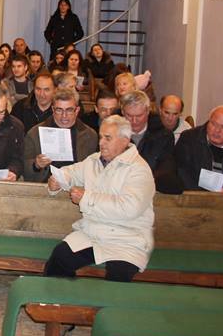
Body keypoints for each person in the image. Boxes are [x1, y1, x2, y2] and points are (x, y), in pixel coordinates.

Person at [43, 115, 155, 283]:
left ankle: (109, 309)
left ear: (125, 140)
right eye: (101, 137)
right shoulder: (94, 161)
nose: (101, 142)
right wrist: (59, 180)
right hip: (93, 233)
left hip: (127, 238)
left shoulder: (139, 169)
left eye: (108, 138)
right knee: (60, 257)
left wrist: (86, 198)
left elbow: (129, 208)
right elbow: (72, 172)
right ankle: (60, 304)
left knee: (118, 277)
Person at [24, 88, 98, 182]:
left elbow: (94, 171)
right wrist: (36, 165)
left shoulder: (90, 135)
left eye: (69, 110)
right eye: (59, 110)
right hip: (44, 187)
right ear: (53, 109)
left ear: (77, 110)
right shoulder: (35, 133)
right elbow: (24, 170)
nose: (64, 115)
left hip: (77, 187)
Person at [120, 90, 182, 194]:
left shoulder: (163, 136)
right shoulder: (113, 133)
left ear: (148, 111)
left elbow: (166, 169)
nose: (134, 121)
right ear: (122, 112)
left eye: (139, 116)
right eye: (129, 116)